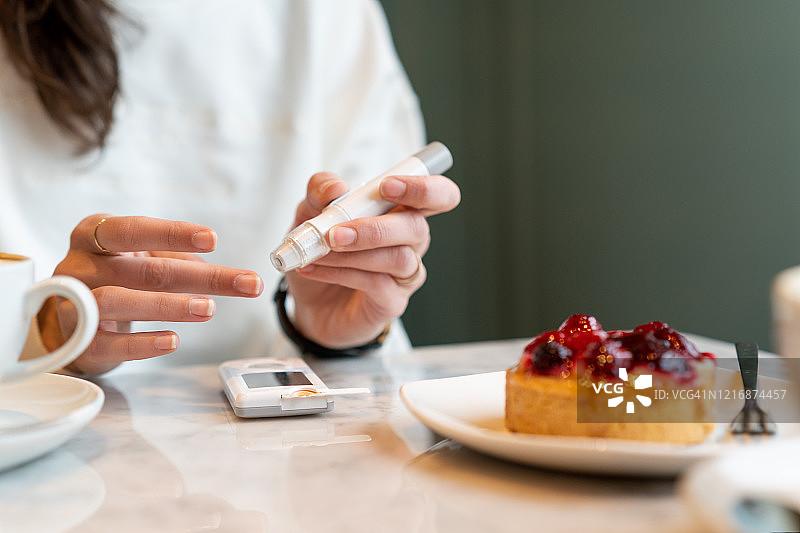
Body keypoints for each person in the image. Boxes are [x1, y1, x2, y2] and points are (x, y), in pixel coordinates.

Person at [1, 0, 460, 375]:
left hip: (283, 446)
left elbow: (369, 334)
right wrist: (53, 333)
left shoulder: (328, 16)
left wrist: (326, 331)